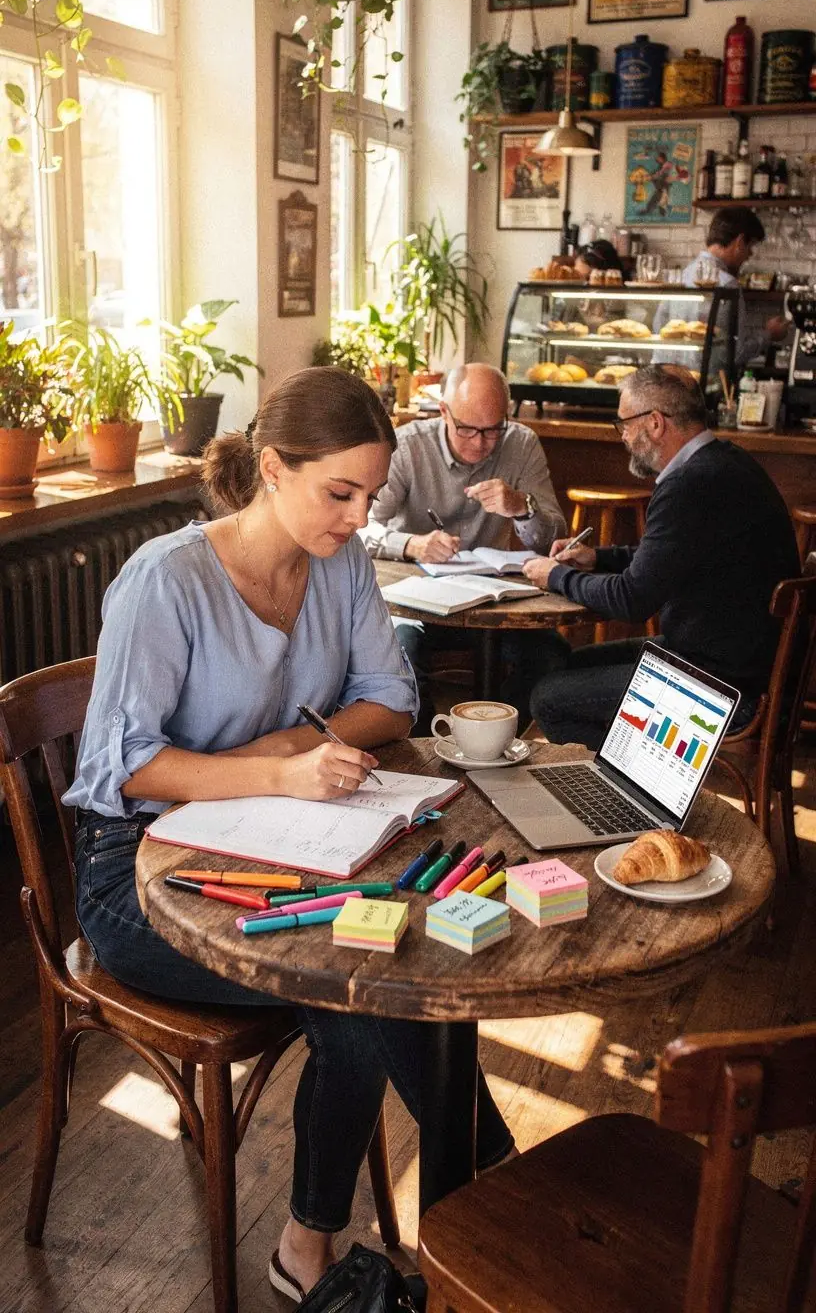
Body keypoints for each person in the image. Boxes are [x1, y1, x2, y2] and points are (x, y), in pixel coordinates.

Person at [63, 367, 514, 1299]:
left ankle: (472, 1206)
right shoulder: (167, 579)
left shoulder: (341, 562)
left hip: (274, 836)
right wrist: (278, 770)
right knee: (351, 986)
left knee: (383, 949)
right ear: (272, 468)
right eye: (337, 493)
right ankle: (483, 1200)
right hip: (144, 868)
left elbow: (393, 698)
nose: (356, 518)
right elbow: (122, 769)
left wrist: (297, 747)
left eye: (368, 496)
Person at [520, 365, 799, 749]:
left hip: (722, 691)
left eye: (624, 424)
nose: (623, 437)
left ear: (654, 423)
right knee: (566, 666)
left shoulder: (688, 484)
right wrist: (596, 558)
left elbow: (632, 600)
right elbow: (671, 558)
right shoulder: (729, 463)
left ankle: (636, 794)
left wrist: (554, 576)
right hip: (734, 668)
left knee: (548, 699)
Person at [361, 363, 566, 732]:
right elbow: (363, 525)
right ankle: (428, 753)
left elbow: (552, 536)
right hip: (416, 603)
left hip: (490, 602)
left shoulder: (520, 443)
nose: (480, 442)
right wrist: (411, 544)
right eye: (467, 429)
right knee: (398, 659)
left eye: (492, 430)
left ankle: (488, 742)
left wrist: (523, 506)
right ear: (443, 412)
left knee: (553, 655)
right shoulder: (407, 447)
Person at [655, 208, 788, 367]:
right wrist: (769, 334)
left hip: (671, 381)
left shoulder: (682, 276)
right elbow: (737, 353)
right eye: (750, 247)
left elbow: (658, 328)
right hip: (707, 387)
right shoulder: (727, 285)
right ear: (739, 242)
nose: (749, 255)